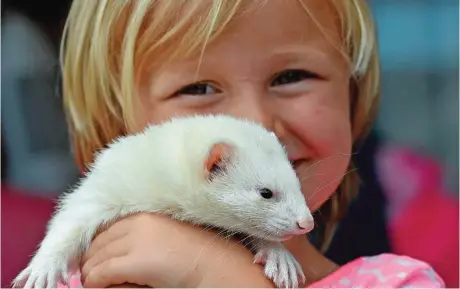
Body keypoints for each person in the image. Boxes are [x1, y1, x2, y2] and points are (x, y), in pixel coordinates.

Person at [57, 0, 444, 287]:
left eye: (290, 76)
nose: (255, 124)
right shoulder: (80, 277)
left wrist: (219, 277)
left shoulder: (402, 282)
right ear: (117, 129)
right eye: (199, 88)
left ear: (353, 98)